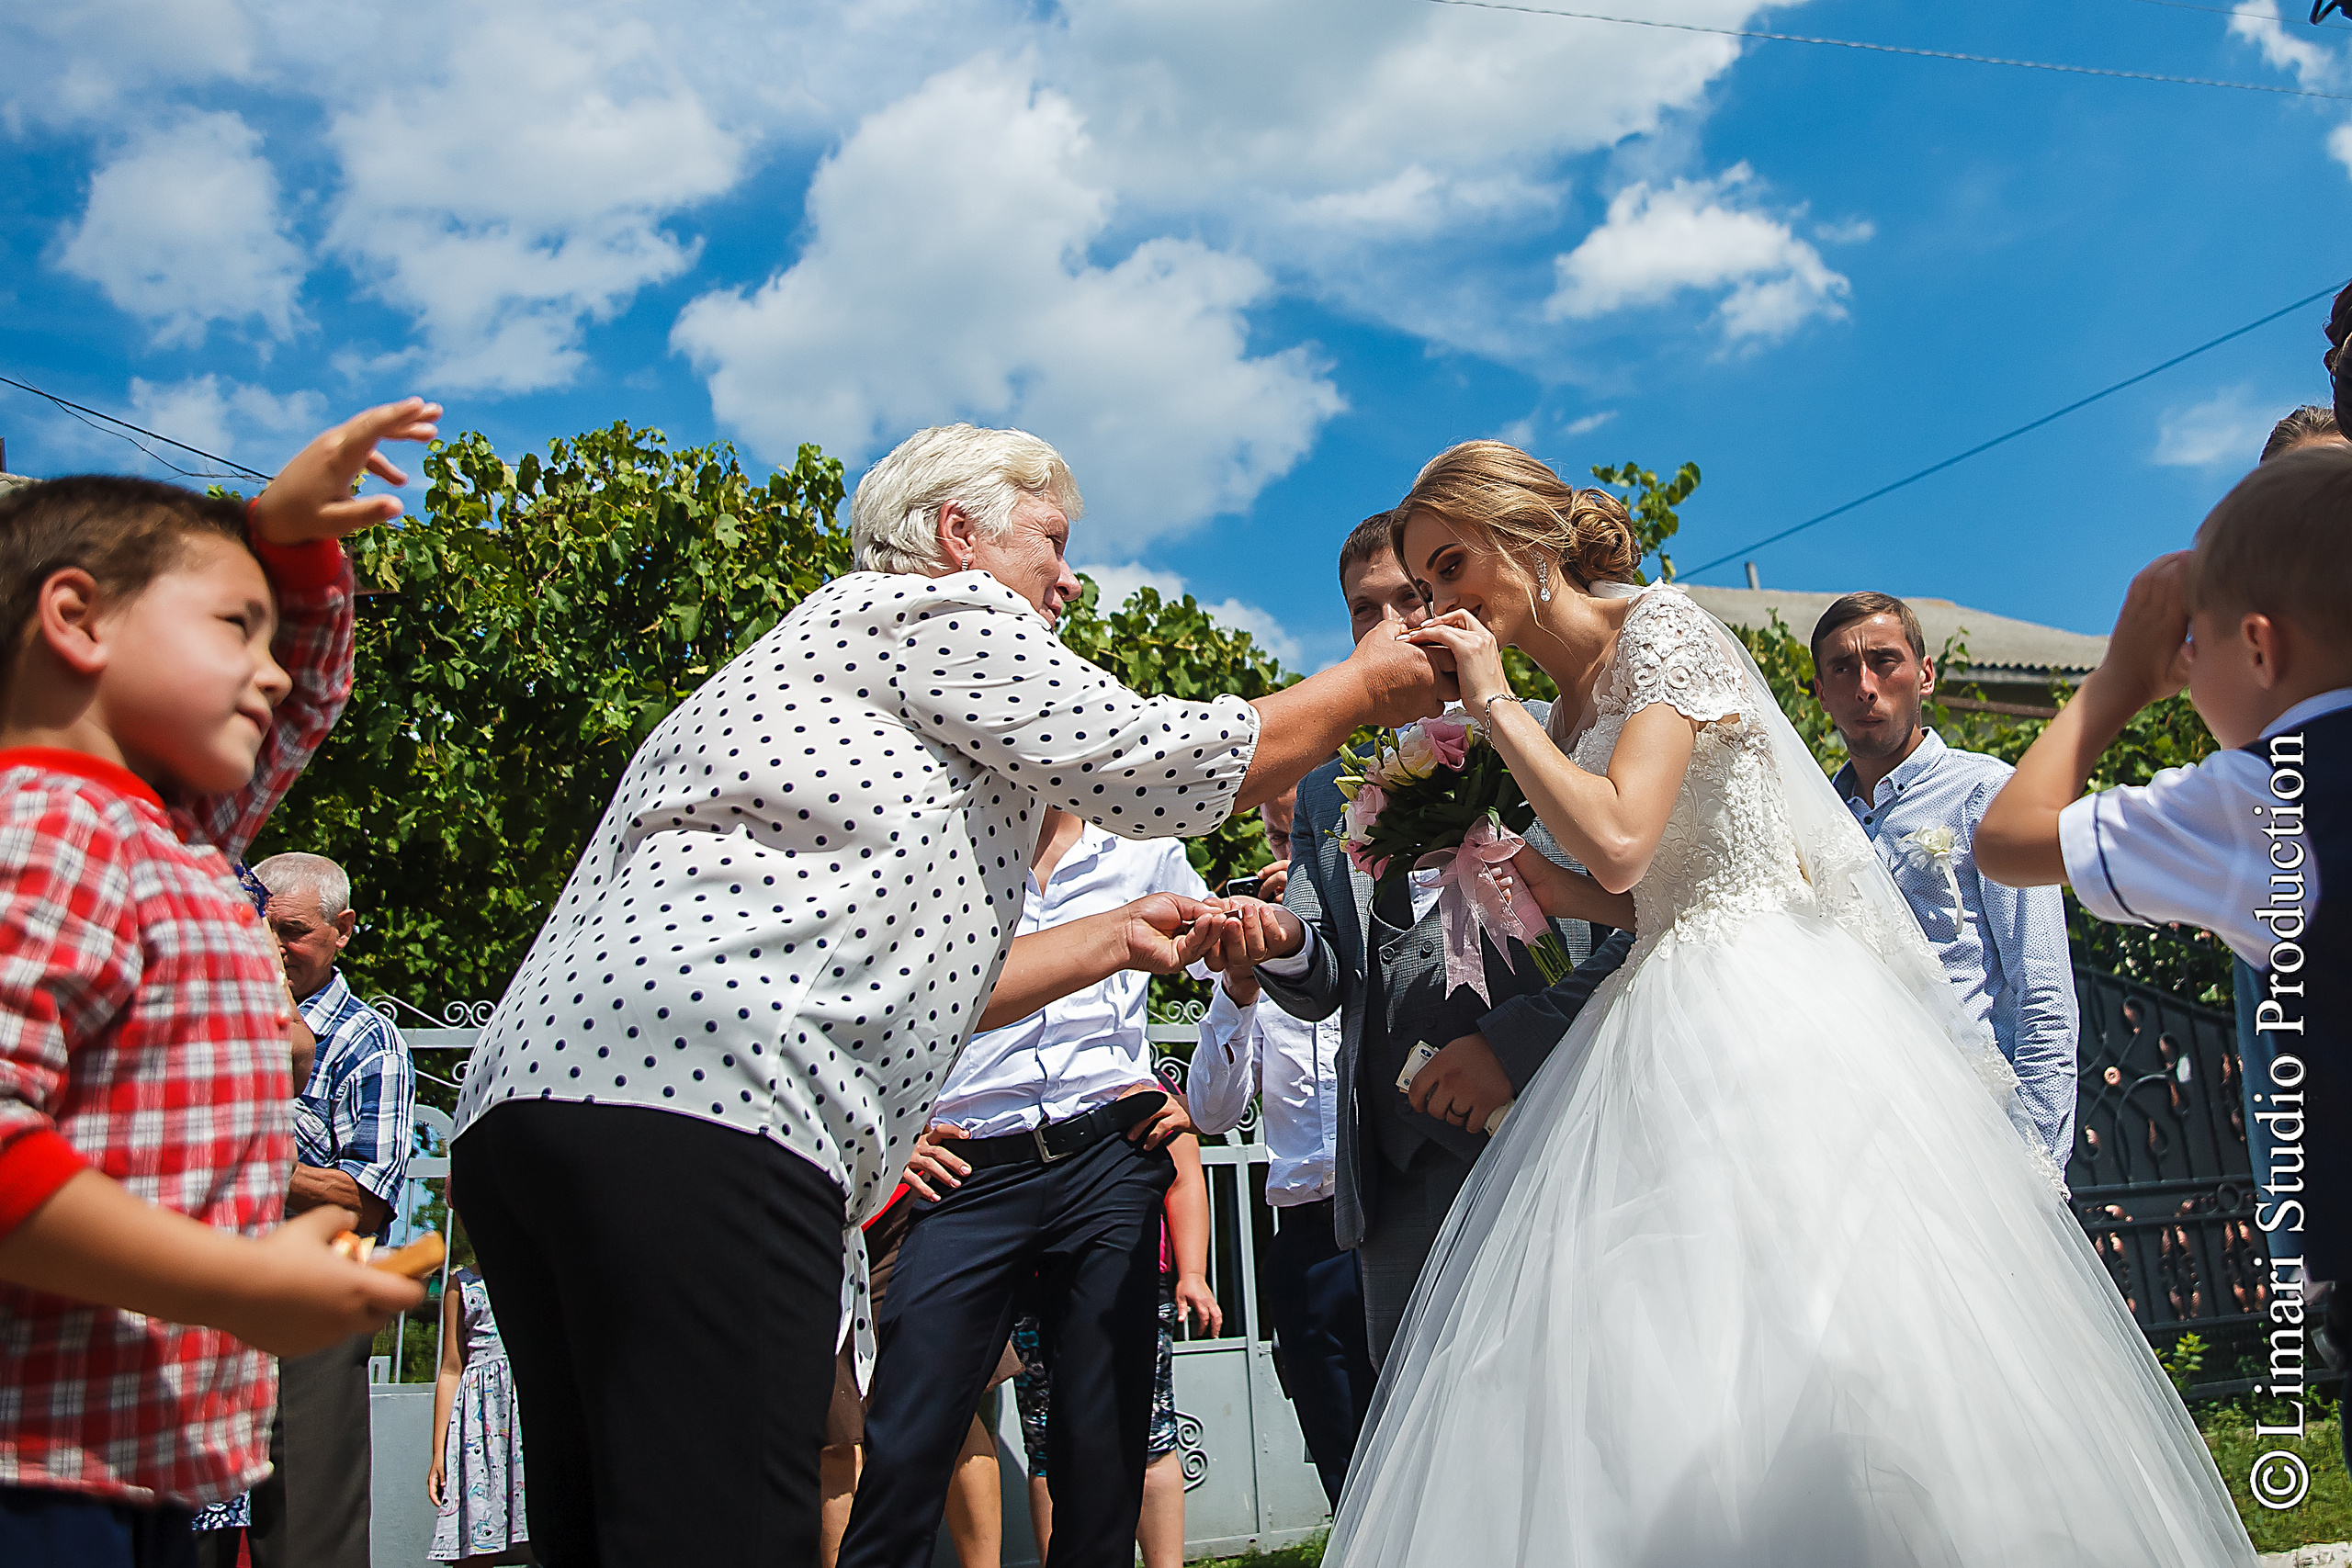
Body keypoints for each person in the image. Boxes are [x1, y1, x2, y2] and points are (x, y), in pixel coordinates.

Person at [449, 423, 1453, 1566]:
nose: (1070, 581)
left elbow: (934, 992)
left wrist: (1110, 937)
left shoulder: (795, 669)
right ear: (957, 534)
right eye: (1052, 543)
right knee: (724, 1526)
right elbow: (1159, 764)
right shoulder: (936, 611)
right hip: (714, 1103)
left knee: (604, 1522)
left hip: (530, 1109)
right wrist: (1366, 685)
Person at [1311, 440, 2256, 1565]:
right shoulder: (1558, 711)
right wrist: (1521, 876)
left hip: (1766, 997)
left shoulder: (1658, 629)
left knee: (1833, 1329)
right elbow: (1632, 897)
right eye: (1426, 586)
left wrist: (1493, 706)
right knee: (1664, 1343)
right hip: (1650, 1002)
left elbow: (1621, 838)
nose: (1439, 604)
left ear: (1526, 541)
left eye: (1451, 567)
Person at [0, 401, 440, 1567]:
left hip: (138, 1449)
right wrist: (236, 1277)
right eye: (235, 627)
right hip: (37, 1463)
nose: (273, 669)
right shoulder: (47, 831)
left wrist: (290, 546)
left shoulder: (176, 836)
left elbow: (310, 694)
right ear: (76, 619)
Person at [1978, 444, 2352, 1461]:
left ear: (2261, 648)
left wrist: (2117, 682)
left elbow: (2007, 838)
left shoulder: (2262, 798)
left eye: (2201, 648)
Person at [1233, 512, 1635, 1367]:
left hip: (1556, 1131)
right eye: (1363, 609)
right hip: (1398, 1173)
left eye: (1411, 598)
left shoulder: (1559, 735)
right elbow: (1321, 976)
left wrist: (1513, 1046)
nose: (1391, 626)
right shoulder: (1322, 790)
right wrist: (1277, 941)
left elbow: (1635, 925)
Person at [841, 808, 1211, 1568]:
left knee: (1102, 1449)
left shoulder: (1144, 846)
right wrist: (889, 1129)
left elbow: (1231, 963)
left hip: (1106, 1154)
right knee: (907, 1431)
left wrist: (1196, 1099)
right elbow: (869, 995)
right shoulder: (938, 846)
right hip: (968, 1168)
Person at [1808, 592, 2078, 1171]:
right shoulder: (1812, 820)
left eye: (1884, 661)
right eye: (1843, 668)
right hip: (1852, 1141)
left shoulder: (1987, 795)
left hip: (1973, 1135)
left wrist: (2036, 1163)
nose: (1865, 686)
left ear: (1925, 675)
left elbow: (2042, 991)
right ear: (1821, 692)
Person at [221, 851, 416, 1568]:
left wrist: (250, 1157)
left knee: (309, 1532)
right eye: (263, 927)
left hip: (312, 1306)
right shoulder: (216, 1020)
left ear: (343, 929)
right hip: (207, 1290)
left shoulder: (370, 1042)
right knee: (187, 1522)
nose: (276, 947)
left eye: (294, 931)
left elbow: (364, 1201)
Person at [1184, 787, 1371, 1506]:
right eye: (1277, 839)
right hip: (1306, 1238)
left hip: (1386, 1214)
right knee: (1341, 1459)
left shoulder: (1369, 932)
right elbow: (1212, 1111)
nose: (1289, 860)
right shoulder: (1251, 972)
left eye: (1305, 841)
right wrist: (1238, 989)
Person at [1012, 1130, 1221, 1568]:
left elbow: (1183, 1174)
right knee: (1047, 1443)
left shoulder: (1139, 1098)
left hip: (1128, 1283)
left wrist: (1193, 1274)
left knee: (1150, 1436)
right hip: (1031, 1286)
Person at [429, 1260, 533, 1565]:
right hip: (479, 1425)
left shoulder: (538, 1271)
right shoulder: (460, 1285)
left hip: (527, 1419)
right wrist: (439, 1454)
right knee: (474, 1539)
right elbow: (451, 1369)